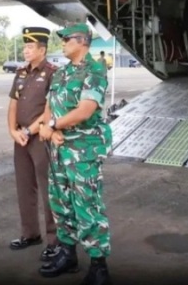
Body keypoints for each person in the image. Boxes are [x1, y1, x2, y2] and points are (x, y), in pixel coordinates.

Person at [38, 22, 113, 284]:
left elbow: (85, 110)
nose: (63, 43)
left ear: (82, 41)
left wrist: (51, 126)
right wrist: (50, 127)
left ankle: (98, 266)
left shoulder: (95, 70)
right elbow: (49, 106)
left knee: (87, 206)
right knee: (61, 203)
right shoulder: (61, 73)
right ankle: (68, 253)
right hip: (59, 148)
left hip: (83, 151)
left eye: (66, 39)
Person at [7, 27, 60, 262]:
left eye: (30, 47)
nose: (26, 51)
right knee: (24, 186)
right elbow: (13, 105)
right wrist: (12, 131)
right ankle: (30, 233)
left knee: (48, 189)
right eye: (25, 46)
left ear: (42, 49)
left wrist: (29, 130)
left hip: (40, 138)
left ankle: (54, 240)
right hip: (20, 138)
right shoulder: (20, 73)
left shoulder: (51, 73)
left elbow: (51, 109)